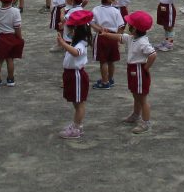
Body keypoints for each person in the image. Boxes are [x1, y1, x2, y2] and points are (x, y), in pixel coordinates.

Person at [98, 11, 157, 135]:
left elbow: (153, 54)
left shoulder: (143, 42)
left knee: (142, 98)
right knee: (136, 94)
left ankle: (146, 122)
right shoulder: (132, 38)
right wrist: (106, 34)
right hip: (132, 70)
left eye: (130, 24)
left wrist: (146, 68)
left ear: (134, 28)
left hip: (139, 70)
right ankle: (136, 114)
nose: (127, 25)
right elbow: (119, 37)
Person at [57, 9, 93, 139]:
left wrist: (62, 44)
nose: (68, 31)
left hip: (76, 75)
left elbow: (76, 52)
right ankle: (76, 125)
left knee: (79, 103)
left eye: (71, 29)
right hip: (70, 75)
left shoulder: (81, 44)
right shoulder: (77, 41)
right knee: (76, 102)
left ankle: (77, 128)